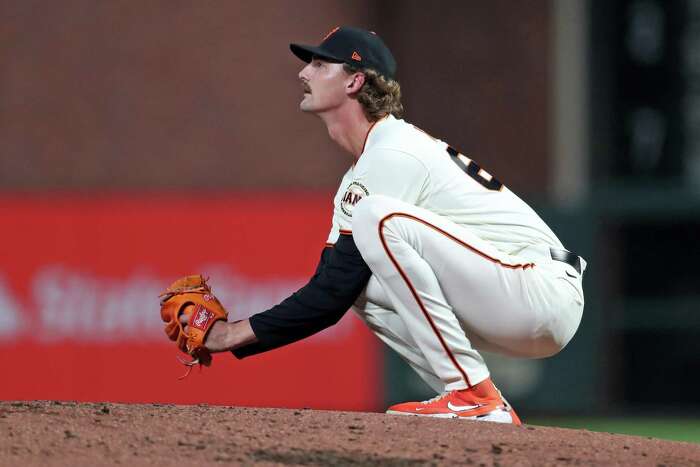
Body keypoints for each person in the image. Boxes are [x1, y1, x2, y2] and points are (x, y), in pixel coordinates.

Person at [195, 26, 586, 425]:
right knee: (360, 284)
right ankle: (482, 405)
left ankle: (471, 393)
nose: (303, 74)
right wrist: (227, 336)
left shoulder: (395, 149)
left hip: (540, 289)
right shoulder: (359, 174)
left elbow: (339, 278)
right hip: (506, 296)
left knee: (374, 218)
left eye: (317, 63)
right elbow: (331, 291)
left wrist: (230, 335)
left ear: (354, 80)